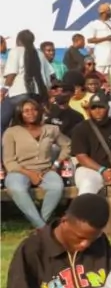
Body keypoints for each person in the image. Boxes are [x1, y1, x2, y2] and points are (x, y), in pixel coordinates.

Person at [4, 97, 68, 229]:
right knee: (17, 188)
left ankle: (41, 222)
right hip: (19, 170)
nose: (31, 113)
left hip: (45, 170)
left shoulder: (51, 129)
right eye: (26, 111)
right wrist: (29, 173)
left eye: (34, 110)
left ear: (39, 111)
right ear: (20, 113)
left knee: (57, 186)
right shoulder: (12, 132)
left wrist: (56, 164)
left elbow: (67, 145)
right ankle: (42, 227)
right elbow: (9, 161)